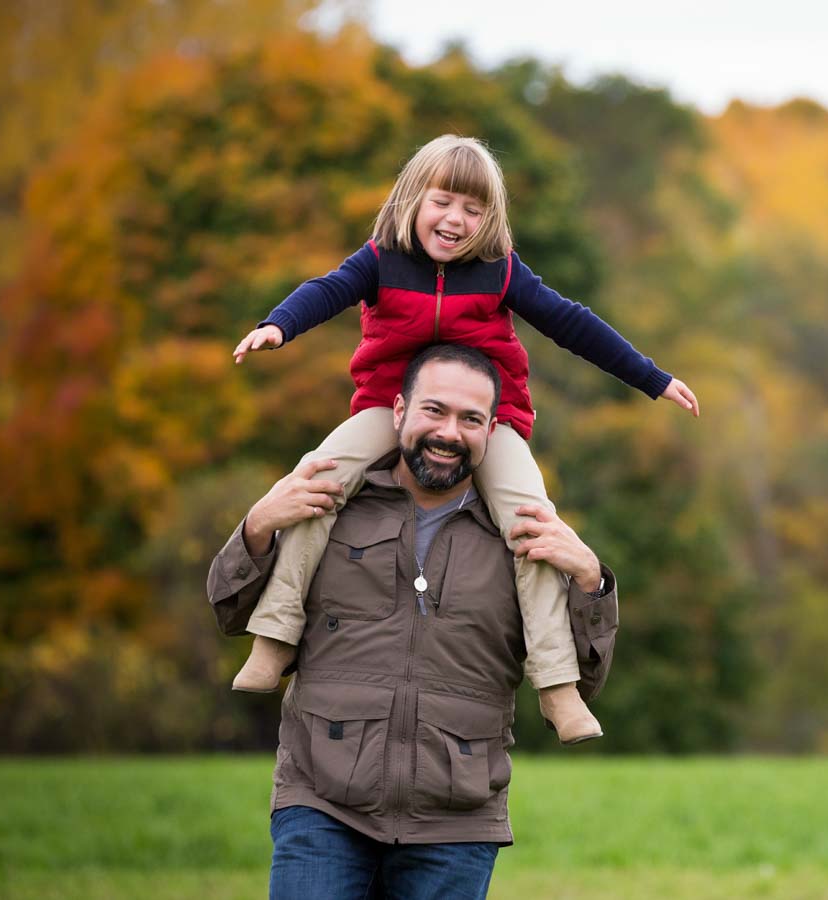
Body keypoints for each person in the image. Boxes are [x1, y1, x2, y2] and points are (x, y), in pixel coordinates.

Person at [229, 134, 697, 744]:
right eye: (443, 202)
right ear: (412, 199)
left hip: (487, 420)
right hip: (388, 407)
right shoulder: (380, 260)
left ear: (490, 219)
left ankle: (558, 688)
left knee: (532, 520)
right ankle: (273, 639)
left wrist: (652, 378)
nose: (455, 219)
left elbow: (572, 324)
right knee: (315, 478)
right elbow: (325, 290)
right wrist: (277, 325)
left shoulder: (499, 273)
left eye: (473, 210)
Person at [207, 344, 619, 899]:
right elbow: (230, 613)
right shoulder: (329, 505)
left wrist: (590, 580)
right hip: (322, 803)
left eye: (470, 419)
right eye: (434, 410)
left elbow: (584, 682)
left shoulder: (524, 537)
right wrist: (258, 527)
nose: (449, 432)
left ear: (492, 430)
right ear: (398, 411)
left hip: (458, 820)